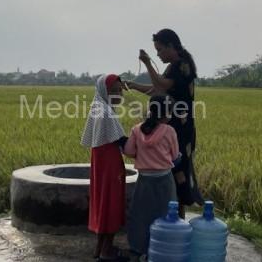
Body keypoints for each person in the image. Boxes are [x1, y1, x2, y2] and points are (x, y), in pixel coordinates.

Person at [126, 28, 204, 218]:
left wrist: (147, 64)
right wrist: (135, 85)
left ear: (171, 46)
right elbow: (158, 91)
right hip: (175, 120)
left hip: (180, 123)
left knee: (177, 166)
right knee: (174, 166)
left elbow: (161, 86)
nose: (158, 55)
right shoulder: (175, 66)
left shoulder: (181, 65)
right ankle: (175, 216)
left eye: (160, 50)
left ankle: (177, 217)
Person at [123, 95, 180, 259]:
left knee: (141, 215)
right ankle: (161, 248)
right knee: (165, 213)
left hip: (144, 179)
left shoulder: (136, 129)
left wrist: (142, 155)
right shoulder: (169, 131)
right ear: (167, 113)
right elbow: (175, 155)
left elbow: (129, 152)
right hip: (164, 179)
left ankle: (139, 248)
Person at [80, 74, 129, 262]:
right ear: (104, 91)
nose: (120, 94)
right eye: (115, 91)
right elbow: (122, 141)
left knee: (102, 200)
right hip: (109, 164)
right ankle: (107, 252)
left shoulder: (98, 106)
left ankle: (100, 248)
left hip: (101, 163)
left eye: (120, 90)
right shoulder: (106, 112)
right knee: (111, 202)